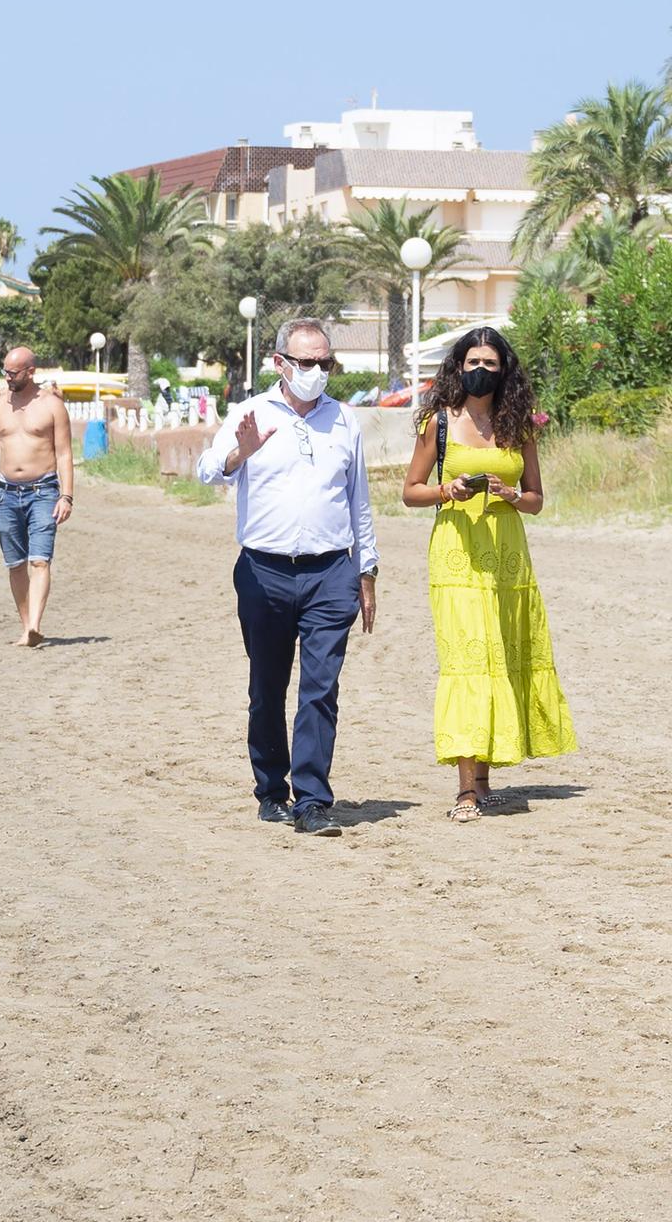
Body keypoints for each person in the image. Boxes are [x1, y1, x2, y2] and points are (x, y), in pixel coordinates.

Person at [197, 317, 380, 837]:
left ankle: (313, 800)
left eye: (326, 363)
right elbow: (207, 469)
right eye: (307, 363)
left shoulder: (344, 420)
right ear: (280, 362)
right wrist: (241, 453)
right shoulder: (249, 413)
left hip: (331, 573)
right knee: (267, 686)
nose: (318, 372)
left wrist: (366, 570)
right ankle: (272, 791)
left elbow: (359, 502)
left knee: (320, 688)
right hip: (263, 572)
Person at [401, 327, 575, 823]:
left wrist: (512, 495)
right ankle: (466, 792)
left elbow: (537, 500)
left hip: (507, 555)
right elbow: (411, 490)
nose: (481, 370)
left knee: (501, 655)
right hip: (456, 554)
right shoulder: (438, 422)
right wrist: (446, 490)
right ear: (459, 366)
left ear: (505, 371)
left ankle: (484, 780)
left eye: (491, 363)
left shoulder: (519, 425)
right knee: (467, 663)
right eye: (473, 360)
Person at [0, 346, 74, 646]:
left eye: (13, 372)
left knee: (40, 560)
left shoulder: (52, 405)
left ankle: (35, 626)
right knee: (15, 564)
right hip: (6, 494)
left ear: (31, 372)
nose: (7, 377)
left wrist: (66, 496)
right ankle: (26, 625)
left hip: (44, 491)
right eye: (5, 371)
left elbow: (65, 454)